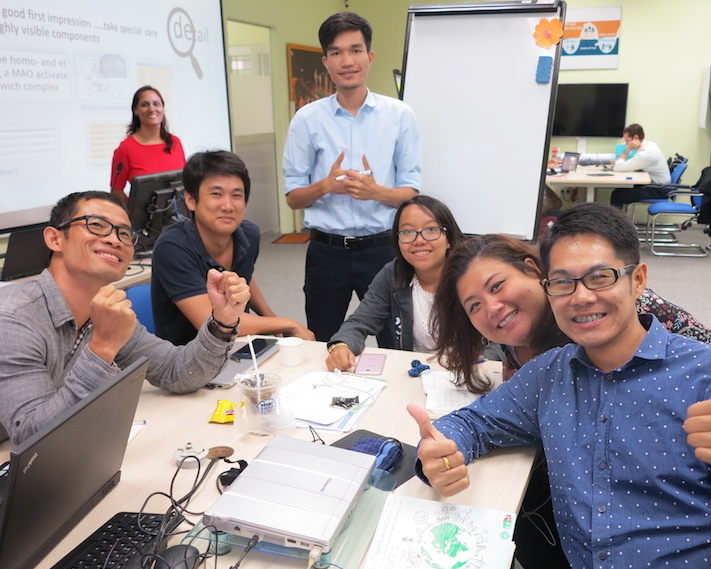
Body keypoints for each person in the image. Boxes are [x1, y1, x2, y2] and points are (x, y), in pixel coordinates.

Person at [413, 203, 711, 569]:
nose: (580, 296)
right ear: (549, 288)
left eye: (600, 277)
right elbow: (472, 424)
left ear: (638, 280)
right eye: (563, 282)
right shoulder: (547, 374)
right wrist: (441, 450)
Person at [0, 191, 249, 445]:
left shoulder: (106, 311)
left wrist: (222, 321)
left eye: (124, 234)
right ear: (55, 239)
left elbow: (178, 372)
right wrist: (103, 347)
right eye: (96, 225)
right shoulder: (11, 319)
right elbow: (31, 436)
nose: (114, 240)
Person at [282, 11, 422, 344]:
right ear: (326, 62)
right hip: (326, 253)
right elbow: (293, 197)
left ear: (370, 57)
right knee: (322, 341)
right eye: (336, 52)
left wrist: (376, 192)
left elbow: (411, 192)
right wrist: (324, 186)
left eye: (355, 50)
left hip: (384, 250)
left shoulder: (399, 116)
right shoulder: (307, 119)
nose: (347, 60)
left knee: (396, 342)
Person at [151, 150, 313, 346]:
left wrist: (273, 321)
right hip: (188, 358)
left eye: (237, 195)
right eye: (216, 194)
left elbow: (245, 277)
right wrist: (287, 324)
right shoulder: (172, 247)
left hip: (241, 345)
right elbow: (212, 322)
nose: (228, 206)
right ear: (191, 200)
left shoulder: (248, 234)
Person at [325, 195, 501, 371]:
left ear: (448, 238)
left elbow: (504, 338)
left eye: (431, 229)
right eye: (408, 232)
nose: (419, 240)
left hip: (471, 373)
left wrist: (484, 359)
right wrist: (341, 346)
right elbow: (359, 322)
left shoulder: (473, 275)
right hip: (416, 373)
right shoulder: (392, 274)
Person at [110, 86, 186, 205]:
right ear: (135, 110)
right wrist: (136, 215)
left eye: (156, 104)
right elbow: (116, 191)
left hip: (180, 218)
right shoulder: (126, 148)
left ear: (163, 109)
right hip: (146, 222)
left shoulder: (175, 142)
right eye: (145, 104)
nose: (152, 109)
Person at [610, 123, 671, 208]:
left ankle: (617, 221)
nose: (626, 144)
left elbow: (618, 168)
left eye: (627, 141)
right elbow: (634, 162)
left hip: (658, 189)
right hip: (658, 185)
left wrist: (628, 149)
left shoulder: (645, 154)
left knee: (617, 195)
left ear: (635, 138)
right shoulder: (650, 144)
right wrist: (620, 162)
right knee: (621, 190)